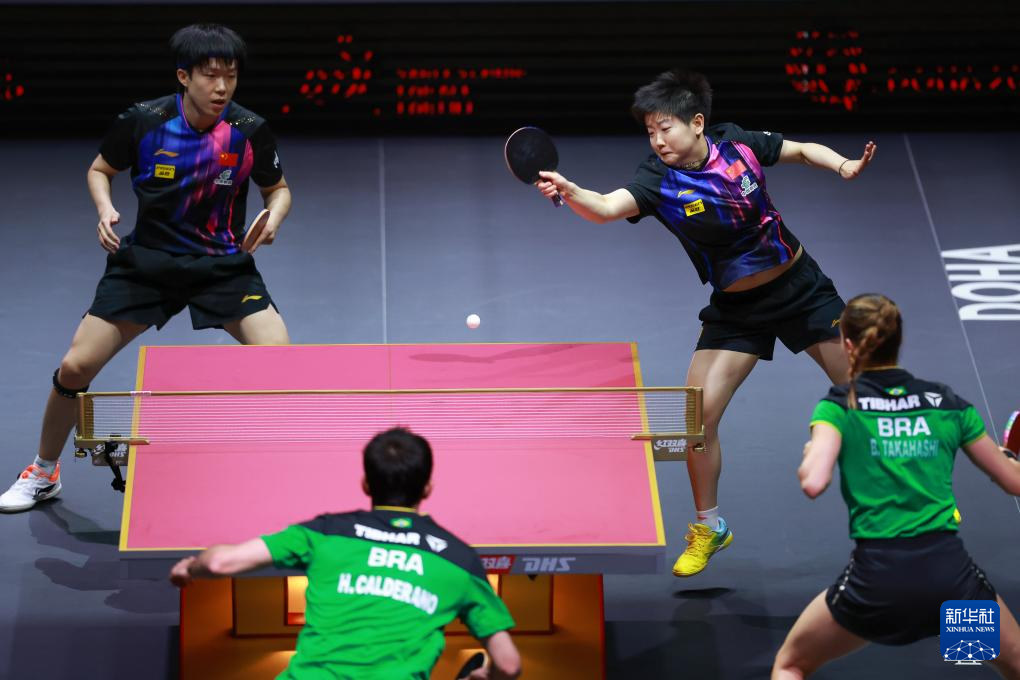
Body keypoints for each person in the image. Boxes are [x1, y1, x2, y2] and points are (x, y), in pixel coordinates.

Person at [533, 68, 876, 576]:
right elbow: (605, 208)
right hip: (737, 310)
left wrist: (843, 164)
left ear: (696, 123)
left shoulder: (735, 143)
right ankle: (709, 527)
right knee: (695, 421)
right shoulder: (658, 178)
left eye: (665, 128)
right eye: (649, 131)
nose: (657, 140)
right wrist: (570, 191)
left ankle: (915, 499)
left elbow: (802, 150)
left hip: (801, 290)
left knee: (867, 394)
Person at [1, 24, 292, 512]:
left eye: (231, 76)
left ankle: (272, 467)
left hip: (222, 266)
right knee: (75, 367)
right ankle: (43, 471)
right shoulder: (144, 121)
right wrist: (104, 209)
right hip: (148, 264)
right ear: (184, 76)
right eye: (211, 76)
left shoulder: (248, 130)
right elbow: (100, 169)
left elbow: (277, 189)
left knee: (282, 364)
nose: (222, 87)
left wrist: (273, 218)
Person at [772, 294, 1020, 679]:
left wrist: (813, 452)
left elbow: (814, 482)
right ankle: (960, 645)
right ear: (898, 341)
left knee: (792, 665)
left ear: (848, 344)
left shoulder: (841, 405)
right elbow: (1013, 482)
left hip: (876, 586)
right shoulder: (947, 403)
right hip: (951, 585)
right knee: (1007, 664)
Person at [169, 428, 522, 680]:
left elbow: (221, 562)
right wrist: (485, 676)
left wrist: (191, 568)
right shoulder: (459, 560)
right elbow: (508, 664)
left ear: (366, 484)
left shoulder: (326, 533)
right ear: (427, 487)